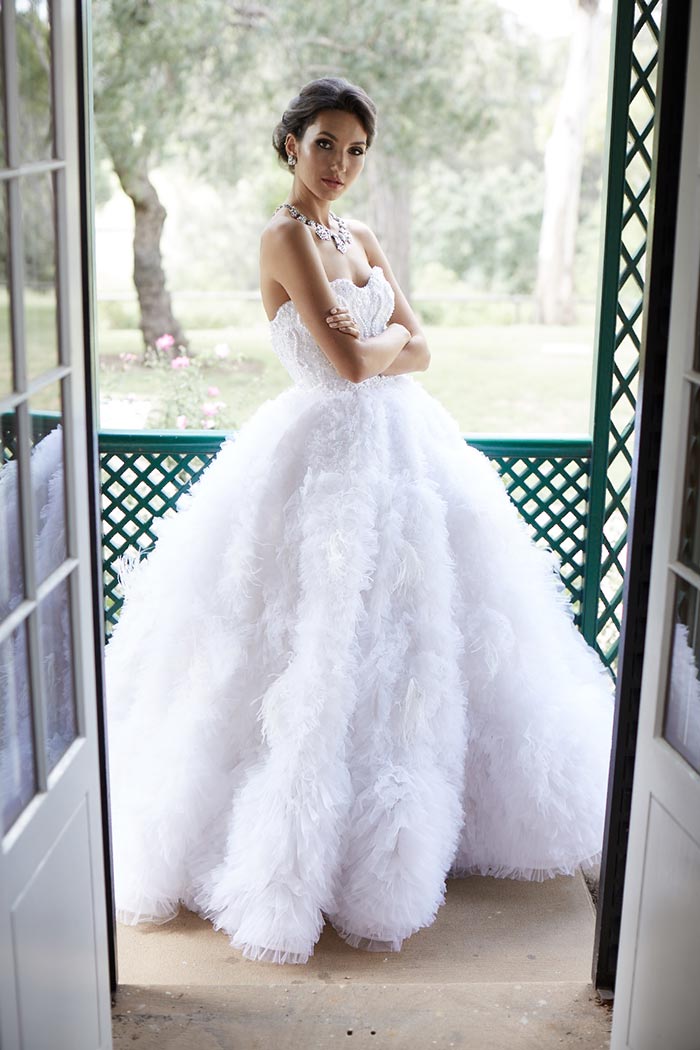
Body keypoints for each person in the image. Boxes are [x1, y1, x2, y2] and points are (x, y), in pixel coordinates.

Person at [105, 76, 615, 966]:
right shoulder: (282, 235)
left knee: (421, 646)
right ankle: (298, 850)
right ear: (290, 144)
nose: (341, 163)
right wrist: (378, 350)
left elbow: (421, 346)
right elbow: (345, 364)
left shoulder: (362, 235)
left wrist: (373, 348)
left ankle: (418, 836)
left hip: (407, 458)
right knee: (311, 648)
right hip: (319, 464)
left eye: (355, 150)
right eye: (326, 144)